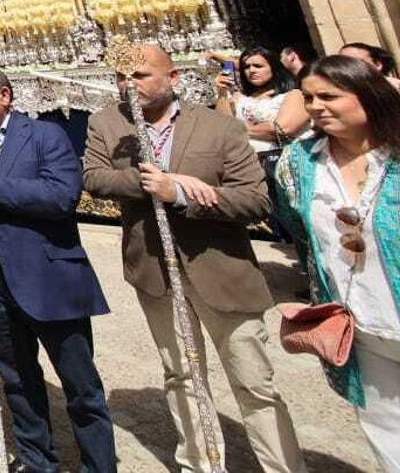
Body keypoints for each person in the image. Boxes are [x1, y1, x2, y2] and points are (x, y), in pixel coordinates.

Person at [83, 44, 305, 473]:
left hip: (220, 268)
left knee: (253, 382)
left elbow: (255, 201)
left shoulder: (218, 127)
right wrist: (149, 183)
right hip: (155, 270)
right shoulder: (106, 123)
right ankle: (199, 464)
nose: (130, 86)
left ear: (174, 78)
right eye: (121, 78)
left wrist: (183, 194)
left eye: (142, 76)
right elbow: (94, 177)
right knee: (181, 375)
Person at [0, 65, 116, 473]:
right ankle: (37, 461)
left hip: (48, 277)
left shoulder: (44, 135)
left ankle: (99, 465)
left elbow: (62, 196)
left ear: (6, 96)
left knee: (80, 384)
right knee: (16, 378)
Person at [277, 56, 400, 473]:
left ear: (368, 97)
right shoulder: (300, 163)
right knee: (390, 439)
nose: (317, 106)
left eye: (329, 96)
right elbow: (297, 226)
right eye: (308, 97)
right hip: (360, 327)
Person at [217, 47, 312, 249]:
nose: (251, 70)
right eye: (246, 67)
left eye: (258, 65)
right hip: (252, 166)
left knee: (298, 223)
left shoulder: (293, 94)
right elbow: (221, 125)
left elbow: (282, 129)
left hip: (283, 163)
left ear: (273, 68)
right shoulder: (241, 98)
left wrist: (237, 128)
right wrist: (222, 94)